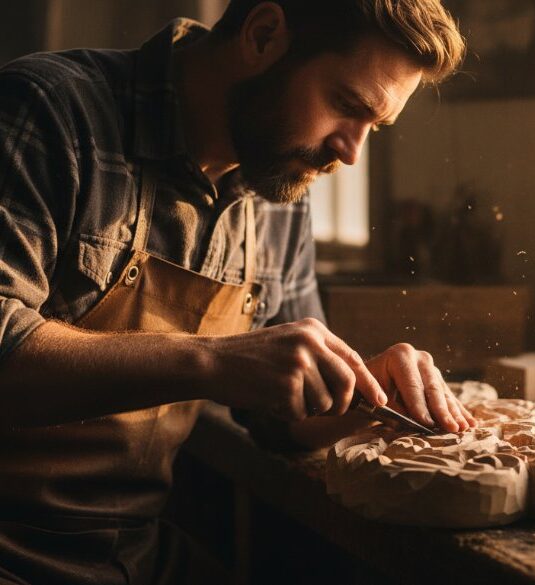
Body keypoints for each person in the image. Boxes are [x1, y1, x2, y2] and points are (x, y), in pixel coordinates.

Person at [0, 1, 472, 582]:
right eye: (347, 107)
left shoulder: (280, 185)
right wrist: (210, 360)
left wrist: (365, 395)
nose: (351, 152)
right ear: (264, 34)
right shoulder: (49, 109)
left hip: (130, 554)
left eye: (374, 127)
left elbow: (281, 419)